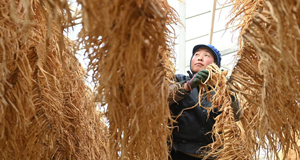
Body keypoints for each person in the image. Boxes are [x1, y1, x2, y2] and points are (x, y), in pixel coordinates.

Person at [168, 44, 241, 160]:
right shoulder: (179, 80)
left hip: (211, 155)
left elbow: (236, 116)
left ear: (215, 65)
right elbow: (164, 97)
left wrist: (229, 93)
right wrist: (188, 86)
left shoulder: (220, 90)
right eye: (196, 54)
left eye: (206, 55)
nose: (200, 58)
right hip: (179, 152)